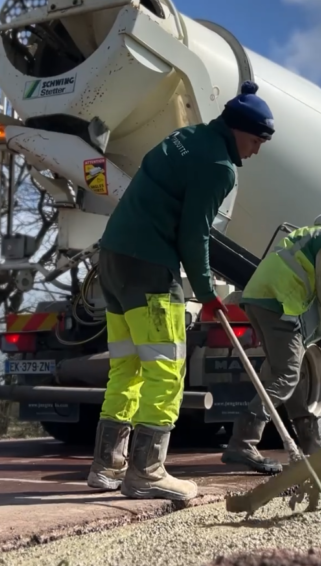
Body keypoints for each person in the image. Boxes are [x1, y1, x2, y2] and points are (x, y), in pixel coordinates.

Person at [86, 81, 275, 500]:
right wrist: (208, 293)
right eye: (258, 140)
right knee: (167, 369)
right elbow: (195, 235)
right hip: (150, 271)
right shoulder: (219, 168)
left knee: (127, 368)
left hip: (113, 262)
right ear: (240, 130)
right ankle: (148, 472)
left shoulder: (184, 137)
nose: (257, 150)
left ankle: (107, 465)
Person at [220, 208, 321, 474]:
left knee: (283, 372)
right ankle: (242, 443)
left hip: (260, 298)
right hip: (278, 301)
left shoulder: (315, 233)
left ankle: (311, 443)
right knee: (286, 375)